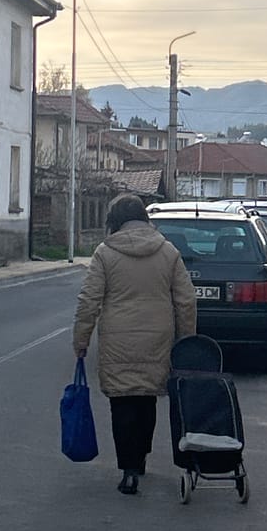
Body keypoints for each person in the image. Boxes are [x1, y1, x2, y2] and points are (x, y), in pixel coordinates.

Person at [72, 194, 197, 495]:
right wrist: (186, 340)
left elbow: (89, 300)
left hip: (118, 336)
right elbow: (186, 300)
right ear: (144, 217)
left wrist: (81, 339)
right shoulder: (167, 251)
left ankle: (128, 468)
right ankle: (141, 457)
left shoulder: (105, 253)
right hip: (158, 336)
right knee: (146, 397)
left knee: (122, 401)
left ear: (114, 220)